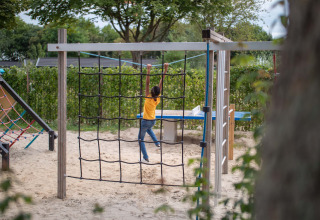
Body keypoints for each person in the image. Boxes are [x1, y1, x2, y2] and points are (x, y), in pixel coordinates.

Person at [139, 63, 169, 163]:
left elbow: (147, 83)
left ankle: (145, 157)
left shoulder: (148, 97)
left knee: (140, 139)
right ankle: (157, 143)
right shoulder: (157, 98)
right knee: (148, 129)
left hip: (146, 120)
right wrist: (165, 69)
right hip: (152, 120)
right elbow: (162, 81)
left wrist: (148, 70)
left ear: (151, 92)